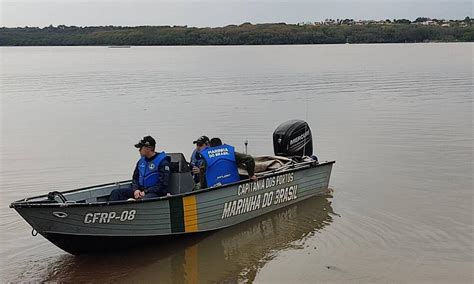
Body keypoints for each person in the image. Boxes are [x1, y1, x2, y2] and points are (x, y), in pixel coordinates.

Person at [109, 136, 171, 201]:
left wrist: (146, 192)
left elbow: (162, 184)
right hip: (140, 191)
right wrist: (136, 189)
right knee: (116, 193)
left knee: (144, 199)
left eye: (141, 148)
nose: (139, 150)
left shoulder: (163, 163)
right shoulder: (141, 162)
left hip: (155, 193)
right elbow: (135, 178)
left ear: (148, 148)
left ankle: (133, 203)